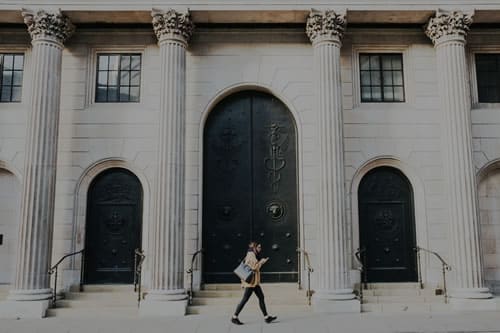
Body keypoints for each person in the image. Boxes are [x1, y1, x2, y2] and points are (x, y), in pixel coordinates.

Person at [231, 242, 277, 325]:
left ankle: (266, 317)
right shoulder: (251, 255)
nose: (260, 248)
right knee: (245, 299)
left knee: (261, 297)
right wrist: (262, 262)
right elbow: (254, 267)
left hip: (254, 282)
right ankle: (234, 317)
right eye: (259, 247)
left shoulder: (253, 254)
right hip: (250, 282)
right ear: (255, 247)